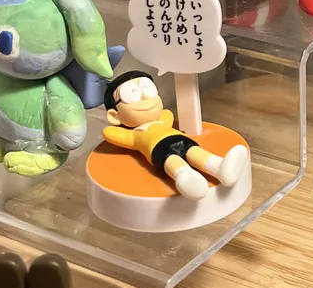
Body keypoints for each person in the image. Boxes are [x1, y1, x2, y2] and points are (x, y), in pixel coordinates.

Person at [102, 70, 248, 200]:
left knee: (194, 151)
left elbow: (166, 114)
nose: (145, 97)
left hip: (179, 138)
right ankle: (186, 178)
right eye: (132, 94)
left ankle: (220, 167)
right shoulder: (134, 135)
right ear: (114, 116)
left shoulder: (162, 120)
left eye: (148, 88)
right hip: (158, 147)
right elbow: (111, 132)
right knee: (171, 160)